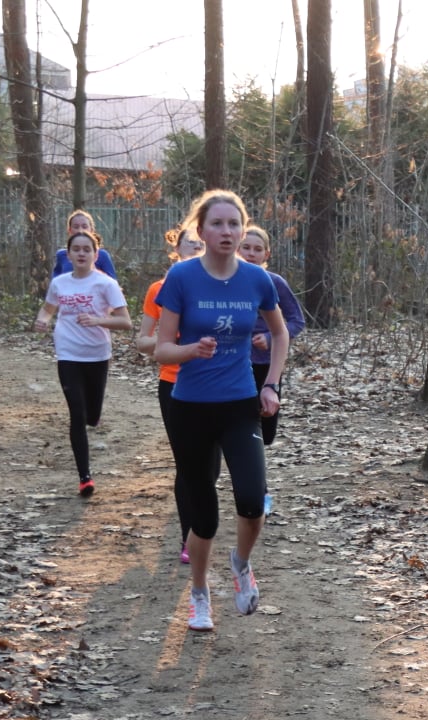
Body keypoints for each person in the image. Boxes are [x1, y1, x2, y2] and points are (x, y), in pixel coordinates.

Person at [153, 189, 288, 633]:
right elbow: (162, 347)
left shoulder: (257, 280)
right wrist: (192, 350)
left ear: (242, 227)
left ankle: (241, 564)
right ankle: (198, 595)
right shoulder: (182, 277)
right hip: (190, 407)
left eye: (234, 224)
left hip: (239, 404)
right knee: (203, 515)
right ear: (201, 230)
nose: (227, 232)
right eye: (217, 224)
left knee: (252, 500)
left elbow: (281, 334)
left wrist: (270, 384)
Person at [33, 231, 130, 496]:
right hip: (68, 352)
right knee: (77, 414)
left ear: (95, 255)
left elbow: (126, 322)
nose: (81, 253)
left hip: (97, 353)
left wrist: (99, 320)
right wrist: (43, 320)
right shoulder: (60, 283)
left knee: (92, 414)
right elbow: (48, 309)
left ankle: (93, 417)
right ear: (69, 253)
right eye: (76, 249)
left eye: (87, 249)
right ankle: (84, 477)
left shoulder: (106, 284)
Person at [135, 225, 210, 560]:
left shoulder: (219, 287)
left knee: (211, 466)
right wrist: (173, 344)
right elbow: (142, 342)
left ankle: (201, 520)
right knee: (186, 462)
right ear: (176, 249)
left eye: (199, 245)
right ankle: (187, 538)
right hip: (174, 382)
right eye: (189, 245)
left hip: (214, 384)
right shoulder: (159, 289)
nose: (195, 249)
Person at [238, 224, 305, 516]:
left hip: (267, 369)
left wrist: (268, 337)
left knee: (264, 435)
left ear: (267, 253)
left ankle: (254, 484)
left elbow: (296, 321)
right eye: (246, 247)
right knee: (243, 432)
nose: (250, 254)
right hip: (234, 368)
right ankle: (258, 491)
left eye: (257, 249)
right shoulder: (226, 282)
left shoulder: (274, 282)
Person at [52, 209, 118, 279]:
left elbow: (112, 283)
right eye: (76, 227)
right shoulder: (61, 255)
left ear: (92, 230)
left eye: (84, 226)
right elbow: (56, 283)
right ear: (69, 230)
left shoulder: (102, 255)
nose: (80, 230)